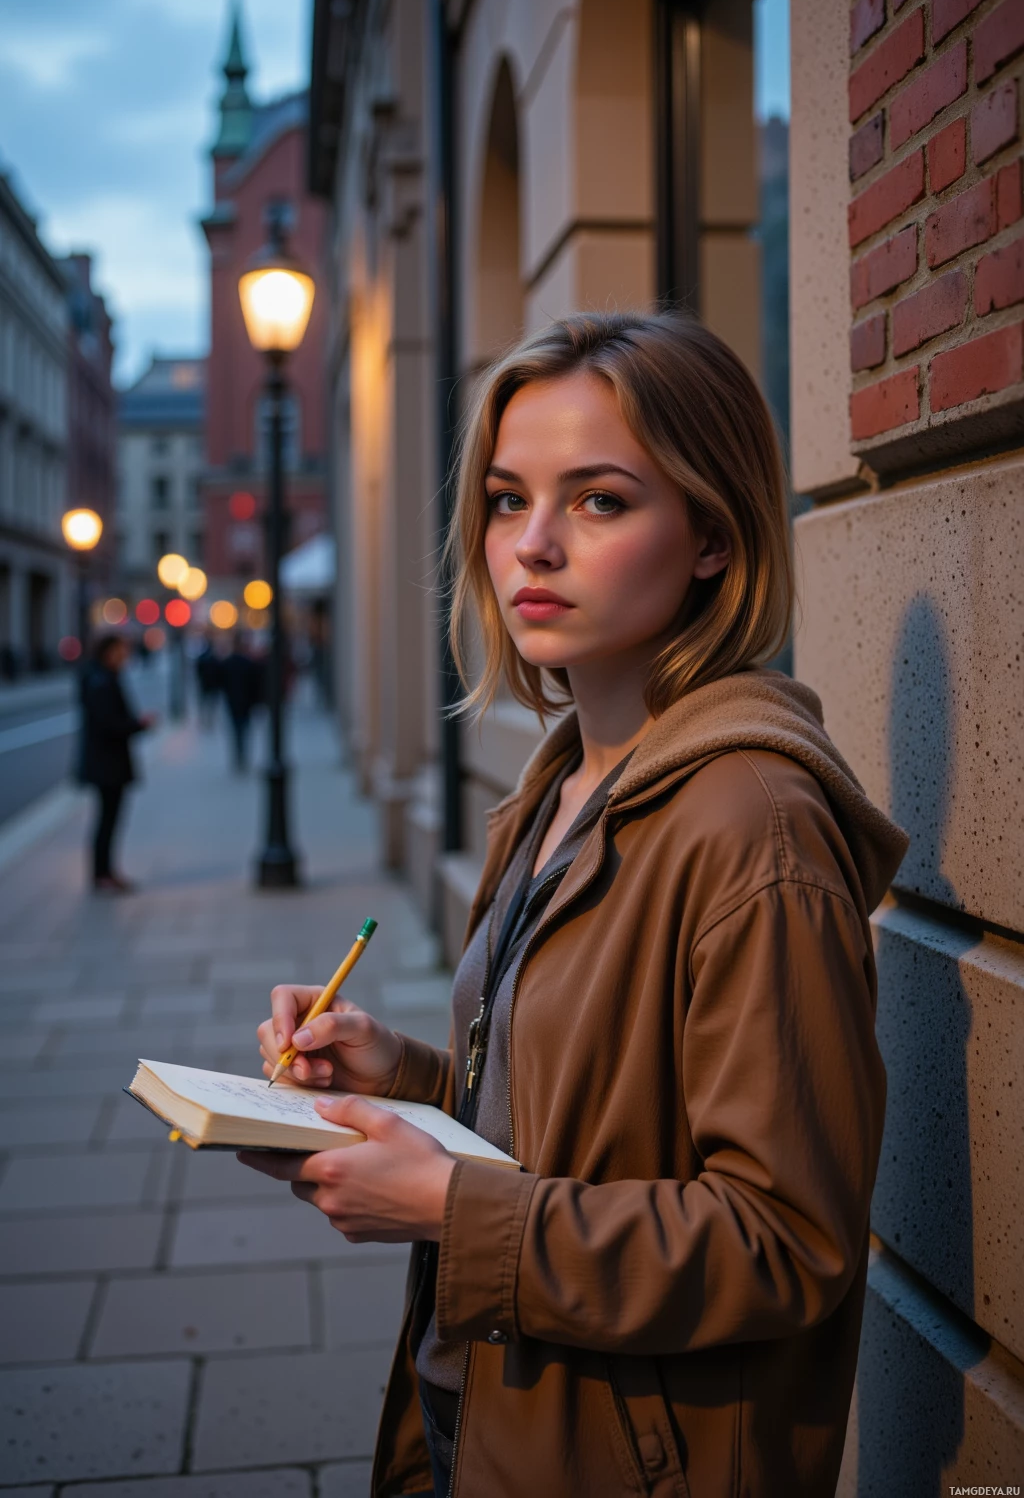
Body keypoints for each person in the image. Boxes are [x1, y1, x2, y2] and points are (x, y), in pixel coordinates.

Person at [243, 314, 909, 1497]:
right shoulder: (555, 784)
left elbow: (786, 1242)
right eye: (507, 500)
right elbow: (582, 1130)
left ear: (711, 533)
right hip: (483, 1410)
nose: (531, 548)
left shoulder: (752, 826)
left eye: (598, 501)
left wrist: (452, 1206)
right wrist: (396, 1078)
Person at [79, 634, 156, 893]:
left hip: (107, 761)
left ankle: (104, 871)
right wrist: (138, 725)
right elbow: (108, 724)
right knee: (108, 818)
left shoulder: (101, 677)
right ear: (109, 651)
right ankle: (102, 873)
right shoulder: (100, 680)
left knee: (109, 818)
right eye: (122, 650)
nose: (126, 655)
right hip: (107, 763)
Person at [219, 631, 261, 771]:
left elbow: (222, 683)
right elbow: (255, 685)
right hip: (244, 703)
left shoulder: (228, 662)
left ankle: (239, 756)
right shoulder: (247, 663)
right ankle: (242, 756)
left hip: (234, 702)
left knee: (237, 730)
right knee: (244, 730)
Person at [193, 632, 222, 729]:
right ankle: (208, 721)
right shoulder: (215, 659)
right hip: (210, 686)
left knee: (205, 704)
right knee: (210, 705)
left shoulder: (203, 659)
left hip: (206, 685)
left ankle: (205, 721)